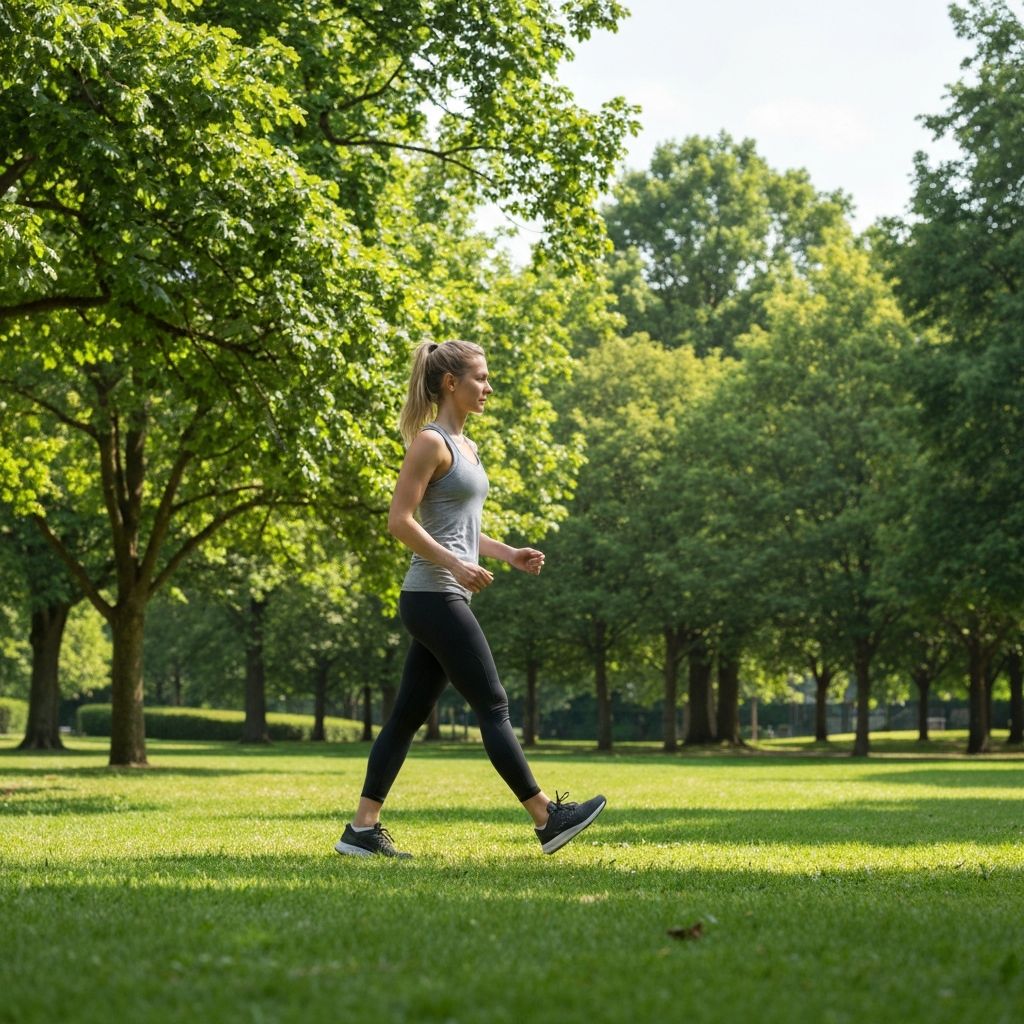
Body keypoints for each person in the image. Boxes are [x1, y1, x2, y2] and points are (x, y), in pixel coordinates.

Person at [335, 339, 606, 858]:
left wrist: (506, 553)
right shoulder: (430, 443)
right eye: (480, 377)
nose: (489, 386)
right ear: (450, 383)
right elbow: (400, 522)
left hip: (441, 592)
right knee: (493, 703)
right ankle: (547, 817)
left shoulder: (467, 447)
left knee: (406, 717)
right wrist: (454, 564)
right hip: (433, 595)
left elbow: (460, 529)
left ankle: (362, 829)